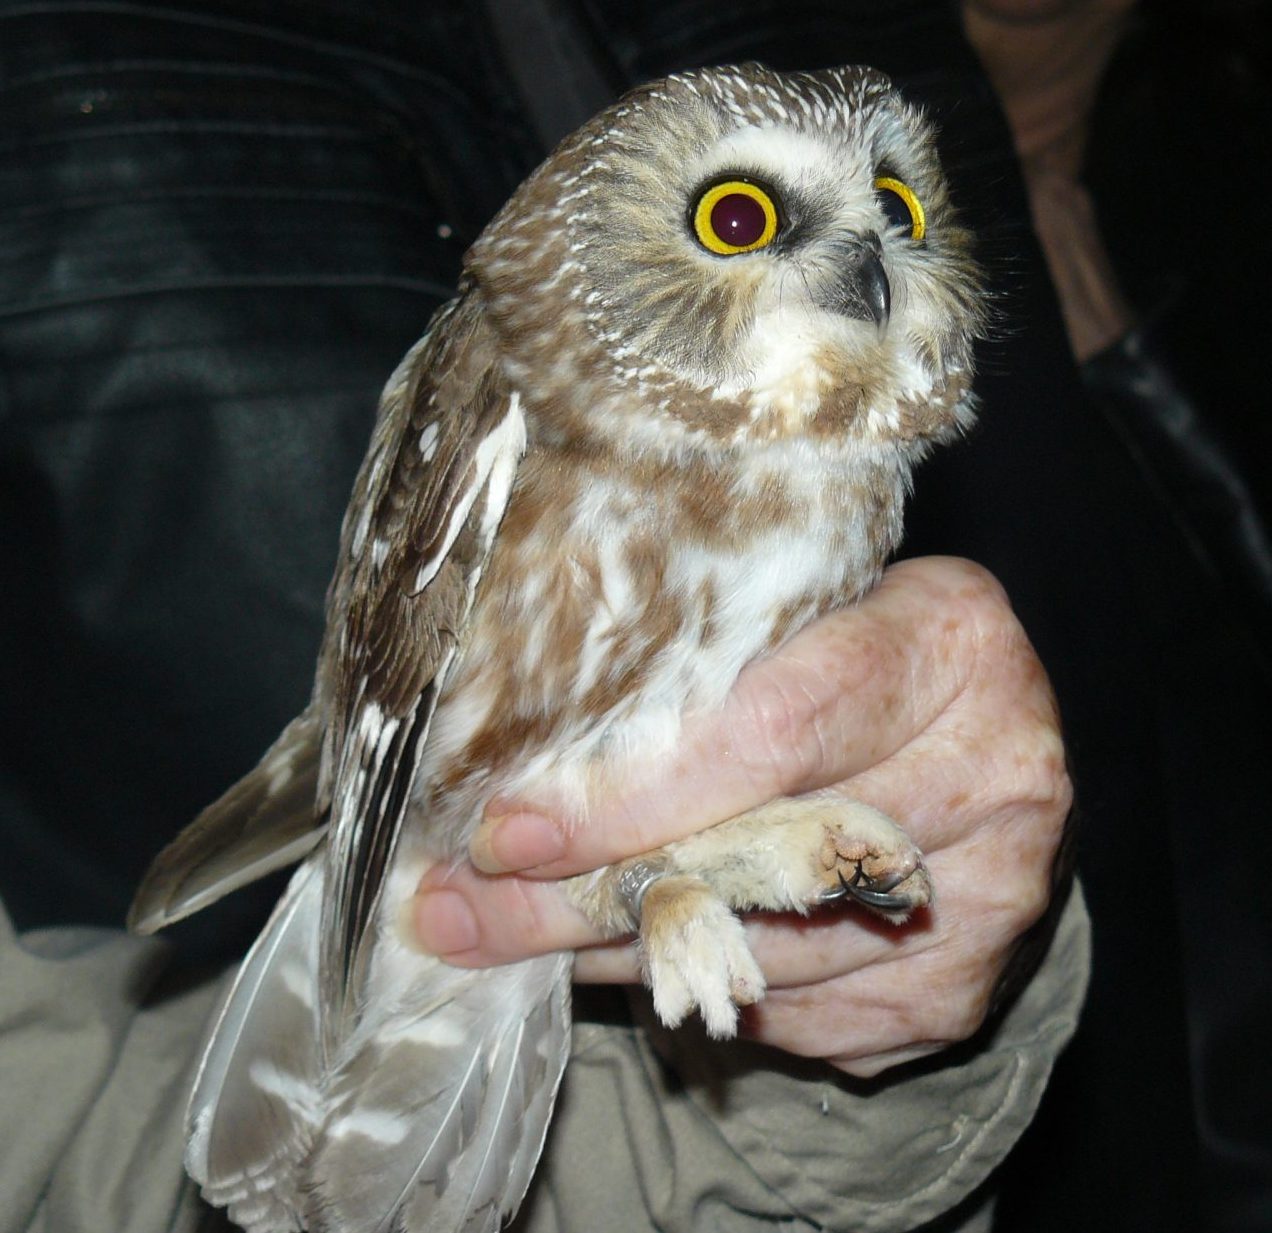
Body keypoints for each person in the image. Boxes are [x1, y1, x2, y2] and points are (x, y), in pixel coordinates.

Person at [1, 2, 1265, 1230]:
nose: (861, 259)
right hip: (423, 876)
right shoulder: (515, 370)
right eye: (741, 218)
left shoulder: (872, 437)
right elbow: (401, 677)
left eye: (893, 213)